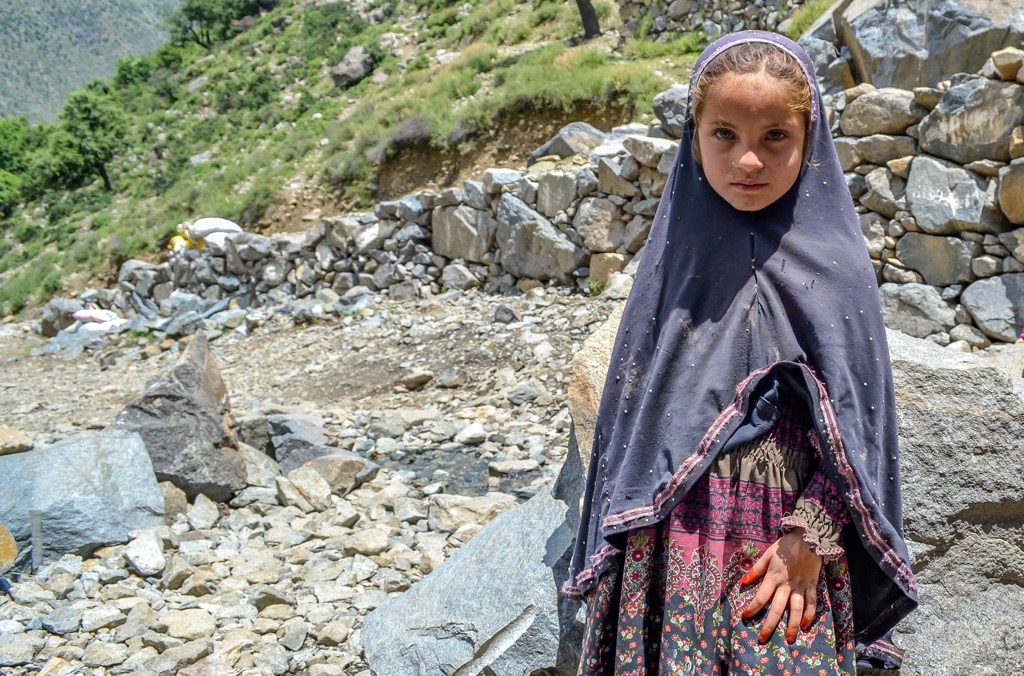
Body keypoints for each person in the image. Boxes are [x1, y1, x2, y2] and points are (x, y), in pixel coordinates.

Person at [564, 31, 918, 674]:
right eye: (724, 134)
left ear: (811, 140)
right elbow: (635, 429)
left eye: (775, 137)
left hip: (789, 556)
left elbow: (861, 430)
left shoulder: (837, 269)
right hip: (668, 557)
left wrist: (813, 530)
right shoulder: (674, 266)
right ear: (693, 137)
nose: (747, 160)